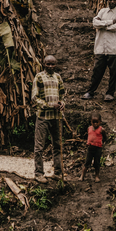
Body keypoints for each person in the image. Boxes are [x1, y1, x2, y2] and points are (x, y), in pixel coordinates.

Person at [82, 0, 116, 101]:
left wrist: (102, 26)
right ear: (107, 0)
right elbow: (95, 23)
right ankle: (90, 91)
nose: (112, 1)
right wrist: (109, 22)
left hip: (113, 48)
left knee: (112, 73)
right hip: (100, 47)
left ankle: (110, 93)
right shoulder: (102, 11)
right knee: (97, 71)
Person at [31, 55, 65, 183]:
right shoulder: (39, 77)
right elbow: (35, 98)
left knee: (57, 145)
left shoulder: (58, 77)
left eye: (53, 64)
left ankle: (58, 172)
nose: (50, 66)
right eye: (48, 64)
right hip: (43, 117)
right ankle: (39, 173)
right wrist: (50, 105)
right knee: (39, 146)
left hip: (56, 117)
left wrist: (62, 103)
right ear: (43, 64)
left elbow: (62, 94)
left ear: (56, 65)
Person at [79, 112, 105, 182]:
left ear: (100, 122)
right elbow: (89, 136)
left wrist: (102, 143)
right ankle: (82, 176)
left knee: (97, 163)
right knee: (87, 163)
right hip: (90, 148)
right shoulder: (89, 128)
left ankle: (97, 176)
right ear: (91, 122)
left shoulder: (101, 130)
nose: (95, 124)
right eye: (93, 122)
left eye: (97, 122)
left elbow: (105, 138)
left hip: (98, 148)